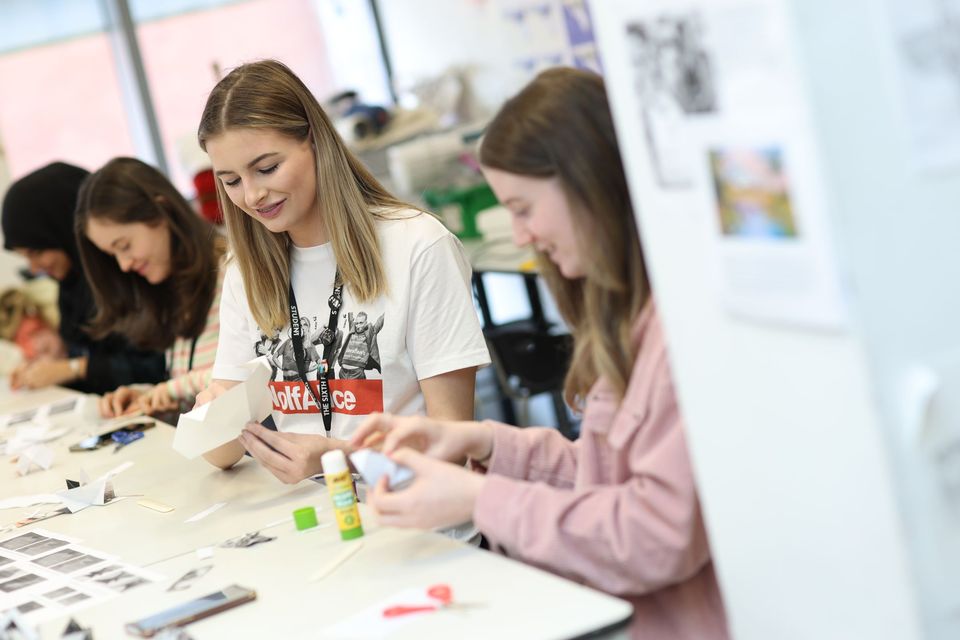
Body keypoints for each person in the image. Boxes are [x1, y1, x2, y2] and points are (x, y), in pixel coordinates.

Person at [349, 68, 729, 639]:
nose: (521, 236)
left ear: (588, 182)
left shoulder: (682, 335)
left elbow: (653, 534)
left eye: (524, 208)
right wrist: (485, 443)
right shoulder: (629, 324)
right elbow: (607, 478)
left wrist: (480, 499)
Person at [194, 60, 489, 484]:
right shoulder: (247, 271)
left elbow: (453, 447)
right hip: (316, 524)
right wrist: (216, 412)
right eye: (230, 181)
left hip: (418, 526)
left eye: (266, 168)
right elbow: (221, 456)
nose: (253, 195)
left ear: (314, 141)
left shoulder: (418, 245)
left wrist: (340, 458)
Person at [74, 157, 227, 417]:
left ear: (161, 212)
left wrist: (168, 391)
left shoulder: (231, 271)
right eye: (113, 255)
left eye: (124, 246)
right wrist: (149, 396)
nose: (123, 265)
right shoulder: (172, 286)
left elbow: (248, 371)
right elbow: (198, 390)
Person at [2, 162, 165, 393]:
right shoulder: (71, 285)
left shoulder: (132, 272)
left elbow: (157, 367)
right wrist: (51, 362)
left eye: (36, 252)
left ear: (64, 232)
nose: (35, 268)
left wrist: (74, 367)